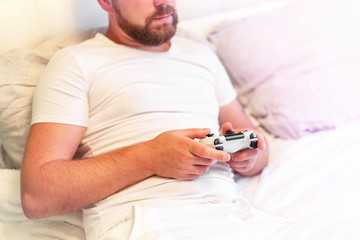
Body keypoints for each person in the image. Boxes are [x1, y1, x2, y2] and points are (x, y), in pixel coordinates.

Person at [21, 0, 273, 239]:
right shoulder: (76, 63)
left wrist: (245, 157)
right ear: (107, 2)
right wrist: (151, 157)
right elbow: (37, 196)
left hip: (235, 217)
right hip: (148, 224)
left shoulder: (201, 54)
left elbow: (259, 149)